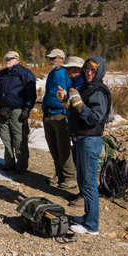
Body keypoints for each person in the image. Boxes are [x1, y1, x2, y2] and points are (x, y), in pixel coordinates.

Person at [58, 56, 111, 235]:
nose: (89, 73)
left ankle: (91, 226)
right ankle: (89, 216)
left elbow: (94, 117)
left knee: (88, 184)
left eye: (93, 70)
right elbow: (77, 111)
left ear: (100, 72)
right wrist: (66, 101)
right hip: (80, 139)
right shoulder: (86, 88)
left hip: (90, 140)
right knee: (82, 181)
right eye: (87, 69)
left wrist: (78, 103)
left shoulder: (99, 91)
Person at [0, 51, 37, 174]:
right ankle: (9, 164)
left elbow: (31, 94)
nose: (7, 60)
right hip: (3, 110)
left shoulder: (25, 73)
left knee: (19, 139)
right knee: (6, 138)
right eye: (6, 58)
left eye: (11, 58)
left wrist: (27, 109)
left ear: (17, 60)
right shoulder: (2, 74)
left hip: (18, 110)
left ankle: (21, 166)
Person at [41, 49, 76, 190]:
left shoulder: (67, 73)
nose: (51, 60)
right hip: (48, 113)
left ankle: (70, 177)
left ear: (61, 58)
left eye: (54, 58)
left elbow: (72, 92)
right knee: (53, 147)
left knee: (63, 148)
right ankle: (59, 174)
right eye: (50, 58)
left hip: (61, 114)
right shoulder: (51, 74)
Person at [61, 56, 85, 207]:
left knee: (83, 164)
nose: (67, 71)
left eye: (69, 68)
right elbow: (73, 109)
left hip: (83, 131)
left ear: (78, 69)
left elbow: (83, 109)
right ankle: (82, 192)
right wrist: (65, 102)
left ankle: (85, 196)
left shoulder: (83, 84)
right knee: (78, 161)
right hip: (76, 128)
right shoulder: (74, 83)